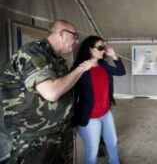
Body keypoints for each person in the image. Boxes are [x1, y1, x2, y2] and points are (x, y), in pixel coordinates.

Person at [0, 19, 96, 164]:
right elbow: (51, 93)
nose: (77, 41)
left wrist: (69, 125)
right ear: (62, 33)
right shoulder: (32, 52)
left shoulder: (56, 59)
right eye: (75, 36)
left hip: (59, 133)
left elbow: (65, 93)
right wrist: (82, 68)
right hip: (36, 141)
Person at [72, 36, 126, 164]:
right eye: (101, 48)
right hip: (90, 117)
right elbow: (72, 97)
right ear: (90, 50)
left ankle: (115, 162)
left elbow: (121, 71)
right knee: (92, 150)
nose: (104, 51)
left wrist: (114, 56)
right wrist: (73, 123)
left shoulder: (104, 65)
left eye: (104, 47)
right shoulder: (80, 69)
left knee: (112, 142)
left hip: (106, 113)